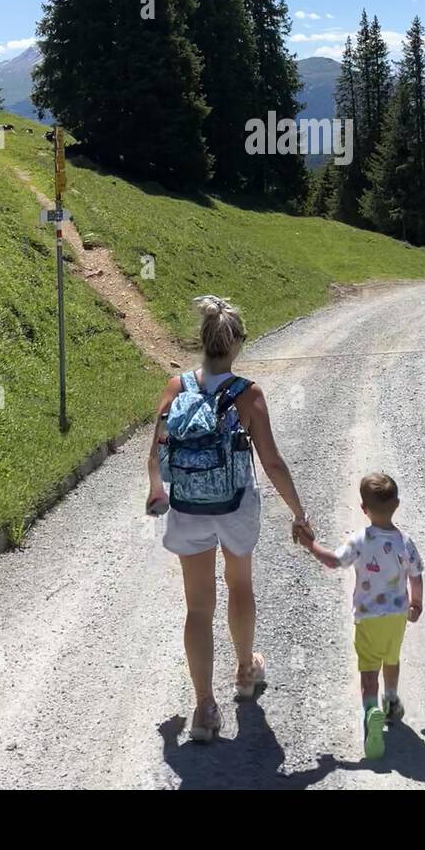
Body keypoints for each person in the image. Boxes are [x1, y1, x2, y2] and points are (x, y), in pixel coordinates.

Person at [146, 295, 313, 741]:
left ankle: (203, 709)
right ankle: (244, 672)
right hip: (235, 504)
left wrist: (157, 490)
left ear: (201, 340)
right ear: (236, 343)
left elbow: (158, 450)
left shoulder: (176, 387)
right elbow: (273, 462)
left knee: (198, 606)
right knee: (239, 586)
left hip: (188, 507)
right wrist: (298, 512)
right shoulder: (246, 393)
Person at [298, 472, 423, 760]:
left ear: (364, 509)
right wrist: (416, 604)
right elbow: (416, 576)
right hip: (396, 618)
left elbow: (333, 561)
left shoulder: (360, 541)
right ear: (398, 504)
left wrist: (310, 545)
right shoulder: (406, 542)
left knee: (369, 671)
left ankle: (371, 710)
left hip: (368, 618)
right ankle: (391, 701)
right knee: (391, 659)